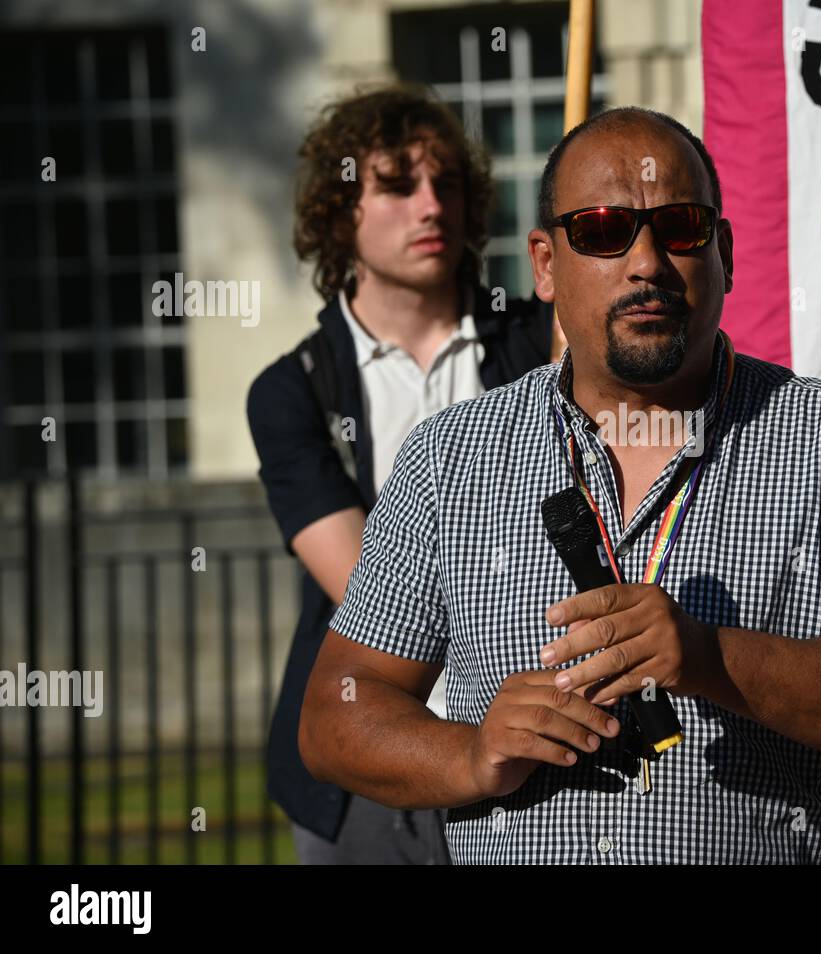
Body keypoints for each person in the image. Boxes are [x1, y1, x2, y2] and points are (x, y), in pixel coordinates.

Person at [300, 106, 821, 864]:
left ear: (724, 251)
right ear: (545, 265)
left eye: (679, 226)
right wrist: (471, 754)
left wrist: (710, 656)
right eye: (604, 230)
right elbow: (335, 714)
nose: (646, 261)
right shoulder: (452, 458)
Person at [246, 85, 552, 864]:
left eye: (448, 184)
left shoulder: (543, 346)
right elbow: (370, 588)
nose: (431, 205)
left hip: (537, 751)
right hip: (370, 767)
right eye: (397, 184)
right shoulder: (293, 392)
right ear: (338, 212)